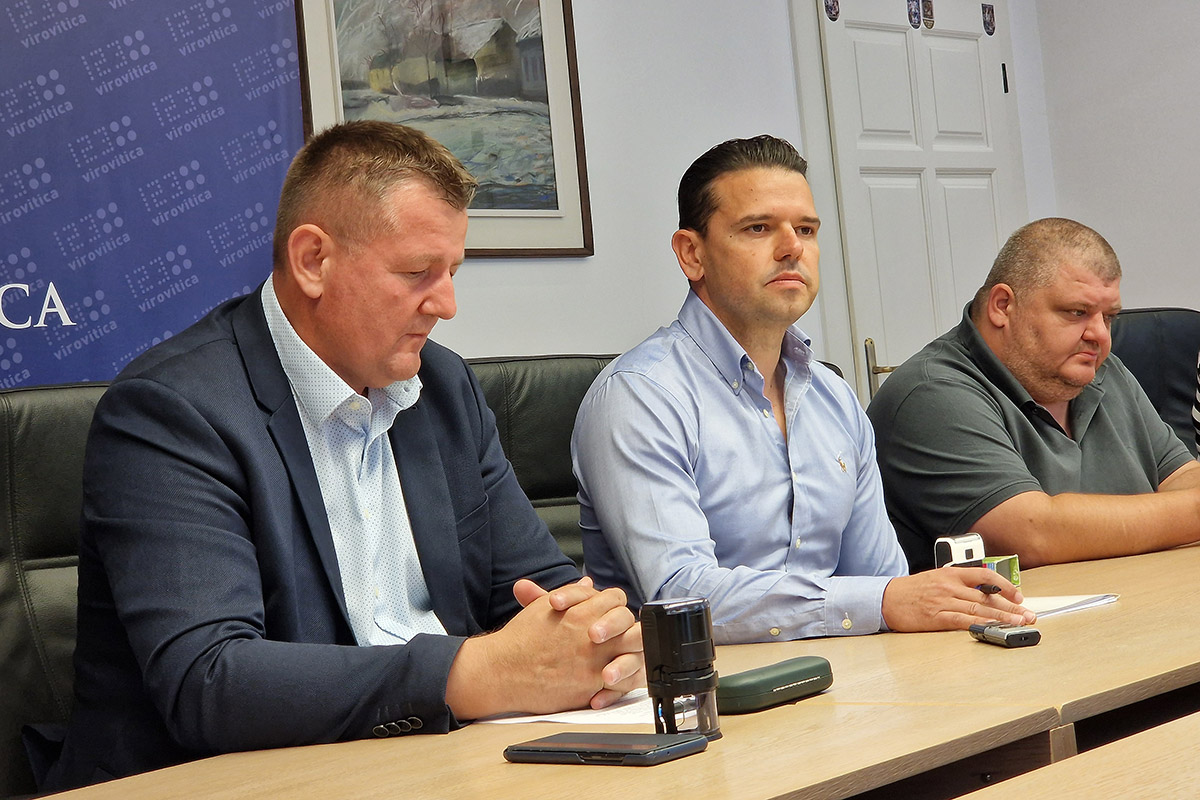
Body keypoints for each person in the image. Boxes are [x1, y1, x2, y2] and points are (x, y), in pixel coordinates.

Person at [44, 121, 642, 790]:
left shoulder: (445, 388)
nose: (447, 304)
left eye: (451, 272)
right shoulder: (172, 411)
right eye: (417, 272)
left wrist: (601, 638)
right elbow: (210, 682)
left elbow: (549, 595)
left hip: (434, 765)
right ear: (312, 261)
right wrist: (473, 673)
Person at [571, 135, 1034, 645]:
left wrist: (909, 601)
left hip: (852, 673)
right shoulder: (640, 397)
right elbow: (682, 597)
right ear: (692, 254)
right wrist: (883, 601)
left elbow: (882, 578)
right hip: (701, 682)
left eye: (806, 230)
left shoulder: (834, 397)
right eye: (758, 228)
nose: (792, 248)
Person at [868, 218, 1200, 572]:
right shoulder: (930, 393)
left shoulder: (1104, 371)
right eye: (1077, 312)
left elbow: (1182, 477)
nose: (1100, 335)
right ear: (1002, 306)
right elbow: (1032, 535)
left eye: (1109, 317)